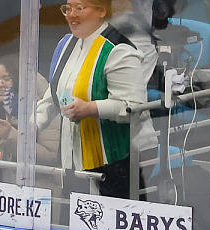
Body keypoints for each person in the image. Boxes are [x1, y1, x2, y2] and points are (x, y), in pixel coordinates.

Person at [34, 0, 147, 199]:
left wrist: (90, 108)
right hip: (71, 162)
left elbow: (134, 107)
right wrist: (33, 124)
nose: (71, 14)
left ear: (101, 11)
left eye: (80, 8)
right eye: (68, 8)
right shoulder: (66, 44)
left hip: (112, 166)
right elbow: (55, 93)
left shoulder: (119, 49)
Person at [0, 55, 63, 191]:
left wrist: (10, 136)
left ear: (19, 80)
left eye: (6, 79)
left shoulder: (45, 108)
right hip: (1, 191)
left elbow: (49, 158)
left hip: (38, 191)